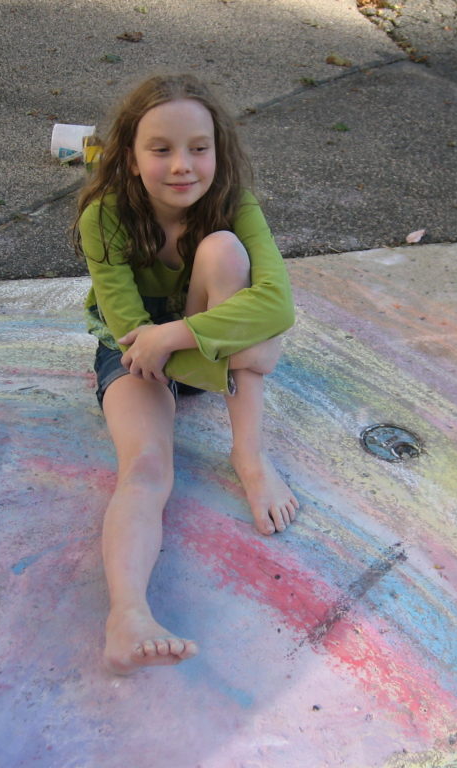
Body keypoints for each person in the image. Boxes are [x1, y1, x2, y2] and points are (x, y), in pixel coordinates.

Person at [72, 74, 299, 675]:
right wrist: (246, 351)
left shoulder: (234, 205)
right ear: (129, 155)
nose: (182, 166)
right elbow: (131, 338)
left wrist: (179, 333)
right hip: (133, 354)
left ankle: (250, 457)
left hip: (180, 338)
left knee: (224, 251)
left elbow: (278, 305)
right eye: (161, 148)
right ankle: (128, 616)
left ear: (217, 151)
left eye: (198, 147)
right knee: (144, 469)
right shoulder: (105, 217)